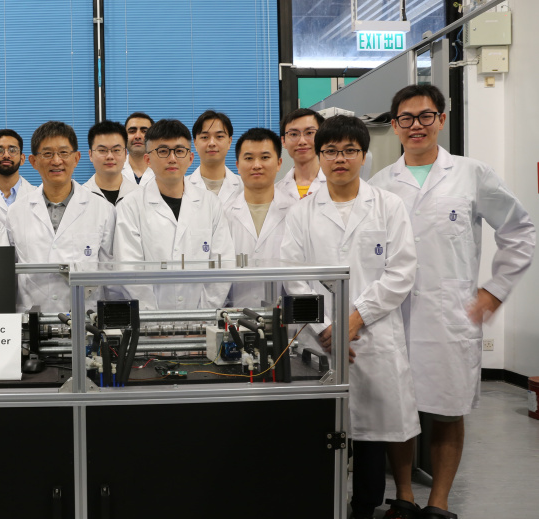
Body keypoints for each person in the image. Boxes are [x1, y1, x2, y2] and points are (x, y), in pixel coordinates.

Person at [368, 85, 536, 519]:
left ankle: (438, 504)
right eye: (407, 118)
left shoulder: (471, 174)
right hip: (394, 315)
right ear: (395, 126)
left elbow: (520, 231)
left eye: (426, 116)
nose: (417, 125)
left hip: (450, 315)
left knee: (448, 410)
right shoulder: (381, 185)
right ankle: (403, 497)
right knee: (398, 409)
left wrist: (493, 291)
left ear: (442, 119)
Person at [280, 115, 420, 519]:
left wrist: (356, 320)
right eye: (331, 151)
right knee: (327, 431)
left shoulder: (388, 206)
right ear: (320, 156)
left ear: (363, 156)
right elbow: (295, 277)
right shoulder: (303, 213)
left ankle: (365, 506)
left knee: (373, 433)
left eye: (349, 151)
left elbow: (401, 271)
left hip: (374, 338)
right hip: (320, 340)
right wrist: (329, 328)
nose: (340, 159)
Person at [113, 119, 235, 310]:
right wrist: (153, 321)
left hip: (202, 324)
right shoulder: (130, 206)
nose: (172, 159)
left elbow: (223, 265)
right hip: (150, 325)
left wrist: (203, 318)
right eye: (162, 151)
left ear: (190, 158)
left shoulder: (210, 204)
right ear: (147, 160)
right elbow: (129, 271)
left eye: (179, 151)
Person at [7, 121, 116, 313]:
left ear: (76, 158)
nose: (56, 161)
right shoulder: (16, 212)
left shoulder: (103, 209)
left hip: (86, 321)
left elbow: (111, 275)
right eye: (47, 154)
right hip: (33, 324)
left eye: (64, 153)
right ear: (33, 161)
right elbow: (9, 276)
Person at [223, 128, 293, 307]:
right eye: (248, 158)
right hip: (235, 320)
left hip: (287, 323)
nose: (256, 165)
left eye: (264, 157)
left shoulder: (296, 211)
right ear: (237, 165)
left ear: (279, 163)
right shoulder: (224, 214)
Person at [188, 110, 242, 207]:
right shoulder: (183, 187)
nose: (212, 143)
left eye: (219, 136)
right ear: (195, 143)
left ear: (229, 142)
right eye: (205, 137)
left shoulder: (244, 187)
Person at [277, 108, 326, 203]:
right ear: (283, 141)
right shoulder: (275, 192)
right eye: (294, 134)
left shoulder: (336, 186)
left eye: (309, 133)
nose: (302, 141)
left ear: (322, 137)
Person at [83, 120, 137, 205]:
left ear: (125, 154)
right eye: (102, 150)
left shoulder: (140, 195)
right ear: (90, 155)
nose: (110, 156)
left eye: (116, 150)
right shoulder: (80, 196)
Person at [122, 112, 156, 185]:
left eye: (144, 131)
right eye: (132, 131)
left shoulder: (163, 169)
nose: (138, 136)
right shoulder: (114, 169)